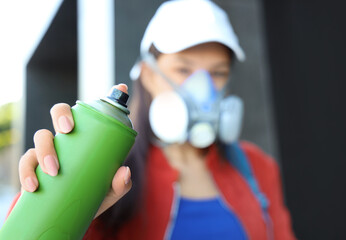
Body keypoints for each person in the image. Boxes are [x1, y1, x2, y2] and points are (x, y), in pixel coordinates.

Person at [10, 0, 296, 239]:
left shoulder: (258, 168)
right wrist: (50, 191)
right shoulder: (109, 175)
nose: (204, 87)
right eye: (184, 69)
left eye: (218, 73)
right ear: (148, 75)